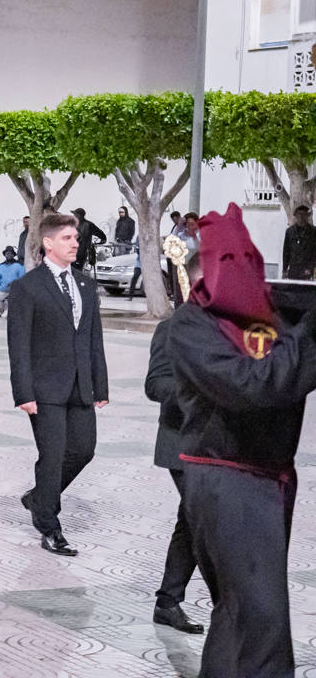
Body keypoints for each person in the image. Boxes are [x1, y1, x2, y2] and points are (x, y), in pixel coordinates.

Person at [169, 203, 316, 677]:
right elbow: (254, 386)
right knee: (261, 617)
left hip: (270, 481)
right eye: (229, 262)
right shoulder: (192, 327)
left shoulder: (275, 317)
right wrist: (307, 332)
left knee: (240, 615)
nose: (242, 272)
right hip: (222, 479)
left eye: (249, 260)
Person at [7, 212, 109, 557]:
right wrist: (23, 392)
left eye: (76, 239)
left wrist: (100, 385)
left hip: (81, 386)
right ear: (48, 243)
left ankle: (39, 497)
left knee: (83, 450)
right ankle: (50, 527)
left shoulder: (86, 285)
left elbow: (94, 338)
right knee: (52, 457)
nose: (75, 244)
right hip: (44, 388)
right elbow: (18, 344)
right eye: (67, 238)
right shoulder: (27, 288)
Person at [143, 253, 205, 636]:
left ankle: (168, 601)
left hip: (223, 447)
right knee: (204, 521)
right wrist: (202, 391)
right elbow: (156, 385)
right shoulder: (171, 328)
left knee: (195, 522)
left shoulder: (239, 329)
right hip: (182, 442)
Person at [282, 204, 316, 280]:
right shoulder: (290, 231)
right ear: (296, 216)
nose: (301, 217)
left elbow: (314, 253)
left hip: (306, 270)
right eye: (299, 215)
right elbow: (286, 252)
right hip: (293, 269)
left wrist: (310, 268)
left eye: (304, 215)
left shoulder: (313, 231)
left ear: (307, 216)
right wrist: (284, 270)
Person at [0, 246, 26, 315]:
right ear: (5, 255)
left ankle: (8, 309)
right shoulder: (1, 266)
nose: (9, 255)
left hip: (15, 290)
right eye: (7, 253)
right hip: (3, 289)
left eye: (10, 253)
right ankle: (2, 308)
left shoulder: (19, 265)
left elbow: (23, 279)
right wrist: (0, 287)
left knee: (6, 315)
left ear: (13, 255)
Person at [70, 208, 107, 273]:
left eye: (75, 214)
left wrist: (99, 242)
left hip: (80, 253)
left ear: (79, 215)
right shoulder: (75, 224)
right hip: (76, 252)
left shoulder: (88, 225)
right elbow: (103, 237)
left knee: (77, 272)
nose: (74, 216)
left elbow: (102, 236)